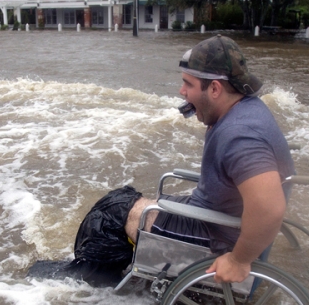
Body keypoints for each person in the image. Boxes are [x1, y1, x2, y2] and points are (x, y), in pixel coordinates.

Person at [123, 34, 295, 284]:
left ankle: (97, 290)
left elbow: (269, 209)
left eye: (188, 85)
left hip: (218, 235)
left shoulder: (241, 136)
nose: (182, 92)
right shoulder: (243, 108)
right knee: (123, 202)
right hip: (212, 216)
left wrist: (238, 260)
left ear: (214, 88)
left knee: (117, 214)